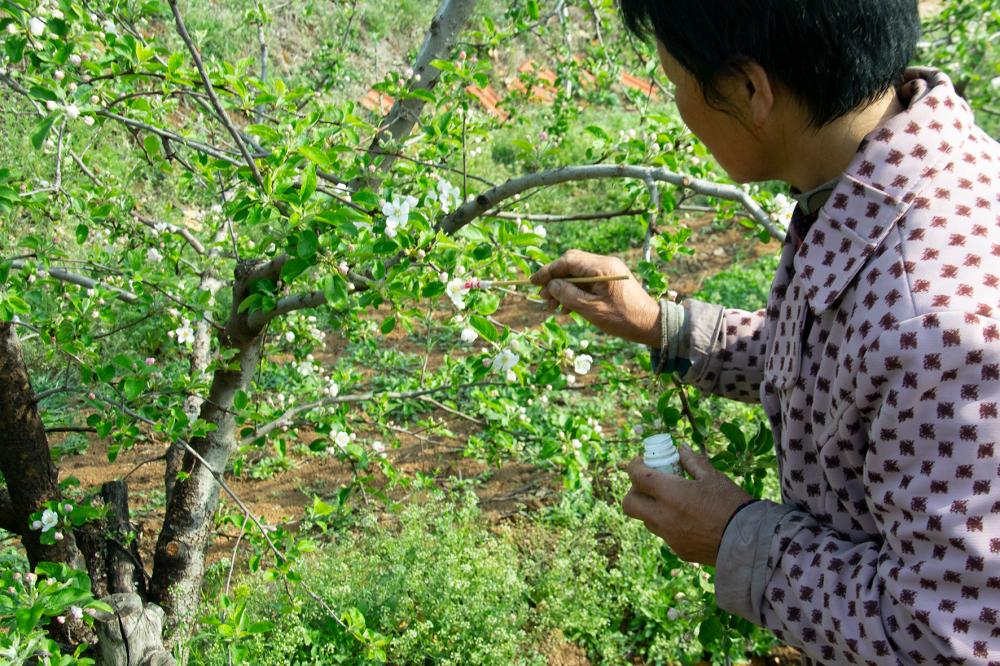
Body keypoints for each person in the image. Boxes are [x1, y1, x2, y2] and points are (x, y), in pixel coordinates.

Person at [531, 1, 1000, 663]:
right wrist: (661, 325)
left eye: (676, 82)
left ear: (752, 90)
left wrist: (737, 540)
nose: (678, 107)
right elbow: (842, 364)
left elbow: (950, 640)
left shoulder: (937, 325)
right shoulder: (878, 182)